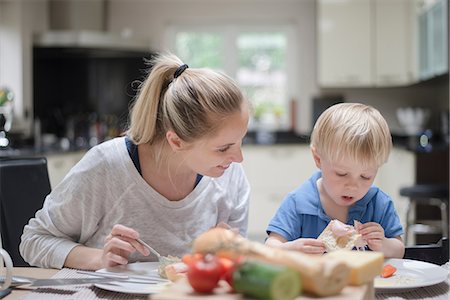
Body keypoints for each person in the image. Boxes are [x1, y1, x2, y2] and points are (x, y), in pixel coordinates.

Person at [20, 52, 251, 270]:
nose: (238, 158)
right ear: (177, 141)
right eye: (223, 148)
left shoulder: (230, 175)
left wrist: (230, 254)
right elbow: (33, 240)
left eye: (241, 141)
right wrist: (98, 258)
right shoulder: (107, 165)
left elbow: (232, 269)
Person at [265, 103, 405, 258]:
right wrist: (291, 249)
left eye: (365, 176)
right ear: (318, 159)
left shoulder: (379, 204)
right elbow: (270, 248)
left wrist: (383, 244)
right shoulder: (298, 203)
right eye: (341, 173)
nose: (353, 186)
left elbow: (399, 250)